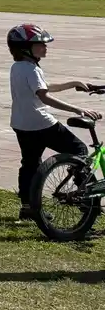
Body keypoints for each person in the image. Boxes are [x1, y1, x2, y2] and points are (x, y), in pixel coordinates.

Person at [7, 23, 101, 220]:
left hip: (22, 124)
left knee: (30, 163)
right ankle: (86, 200)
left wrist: (73, 84)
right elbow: (45, 96)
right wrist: (79, 109)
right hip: (42, 124)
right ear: (25, 47)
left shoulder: (18, 67)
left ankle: (28, 207)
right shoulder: (32, 70)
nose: (45, 47)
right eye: (40, 44)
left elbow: (43, 87)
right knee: (80, 151)